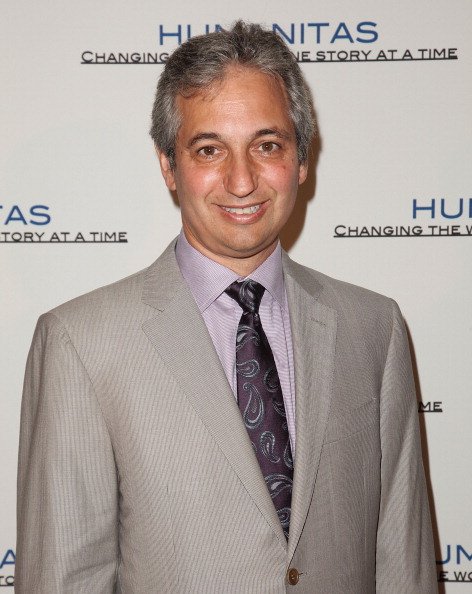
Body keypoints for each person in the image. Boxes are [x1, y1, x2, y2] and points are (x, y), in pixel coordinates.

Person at [16, 21, 437, 594]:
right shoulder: (80, 343)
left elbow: (403, 565)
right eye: (209, 149)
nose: (242, 181)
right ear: (168, 165)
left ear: (302, 159)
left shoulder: (374, 328)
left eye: (267, 146)